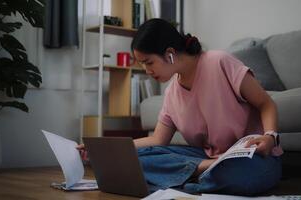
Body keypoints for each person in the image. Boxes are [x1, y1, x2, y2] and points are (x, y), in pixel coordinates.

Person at [79, 18, 283, 196]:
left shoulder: (219, 61)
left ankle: (179, 181)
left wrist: (269, 136)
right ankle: (198, 174)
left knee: (241, 176)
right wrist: (104, 149)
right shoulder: (171, 93)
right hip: (207, 159)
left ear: (169, 54)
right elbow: (157, 140)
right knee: (136, 159)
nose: (146, 70)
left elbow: (266, 103)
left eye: (148, 62)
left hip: (251, 157)